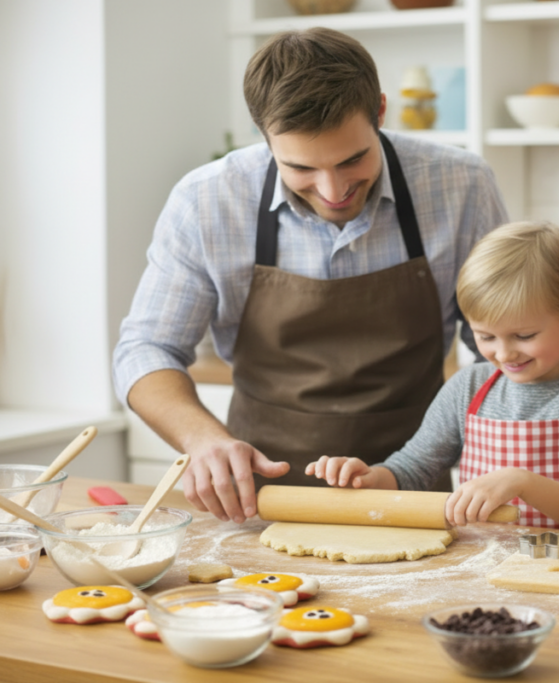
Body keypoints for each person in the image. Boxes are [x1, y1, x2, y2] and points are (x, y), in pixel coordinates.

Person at [113, 28, 508, 524]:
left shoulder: (461, 185)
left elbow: (498, 342)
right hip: (258, 501)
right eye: (301, 168)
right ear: (263, 135)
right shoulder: (206, 201)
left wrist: (502, 452)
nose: (334, 189)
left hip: (413, 494)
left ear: (380, 110)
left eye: (353, 159)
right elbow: (145, 349)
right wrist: (203, 440)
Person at [306, 221, 559, 530]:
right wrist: (368, 478)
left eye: (524, 336)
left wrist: (520, 481)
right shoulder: (469, 386)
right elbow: (412, 470)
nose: (504, 354)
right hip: (476, 567)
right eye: (486, 337)